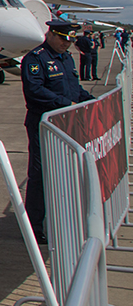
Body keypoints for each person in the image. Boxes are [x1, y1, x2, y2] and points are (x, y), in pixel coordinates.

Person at [22, 19, 93, 244]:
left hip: (66, 124)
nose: (67, 44)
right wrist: (66, 104)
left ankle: (62, 219)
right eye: (63, 39)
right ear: (51, 34)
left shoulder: (66, 58)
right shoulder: (36, 59)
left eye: (70, 40)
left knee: (67, 172)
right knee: (40, 174)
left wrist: (92, 101)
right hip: (43, 123)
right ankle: (34, 227)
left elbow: (75, 88)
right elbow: (35, 90)